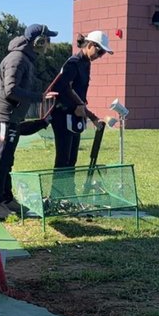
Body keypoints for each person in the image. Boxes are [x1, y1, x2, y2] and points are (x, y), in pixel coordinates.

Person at [0, 23, 58, 220]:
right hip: (3, 117)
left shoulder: (24, 58)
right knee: (2, 160)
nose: (48, 45)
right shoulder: (17, 59)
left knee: (8, 159)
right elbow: (11, 90)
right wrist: (39, 97)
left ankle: (6, 199)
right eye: (46, 40)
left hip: (10, 117)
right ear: (38, 41)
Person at [48, 30, 113, 200]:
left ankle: (68, 195)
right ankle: (56, 197)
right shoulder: (73, 62)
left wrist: (85, 111)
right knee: (63, 159)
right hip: (62, 115)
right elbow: (64, 87)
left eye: (103, 53)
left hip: (76, 116)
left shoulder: (86, 63)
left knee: (72, 159)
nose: (100, 56)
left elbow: (79, 93)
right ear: (90, 45)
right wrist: (80, 106)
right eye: (99, 51)